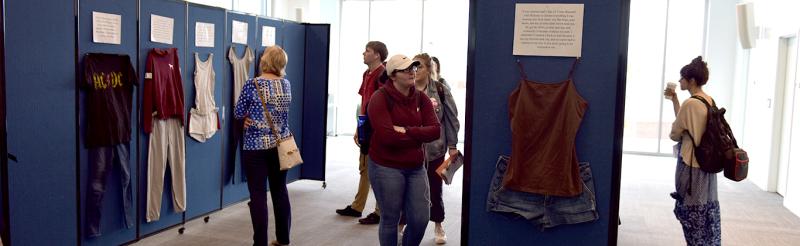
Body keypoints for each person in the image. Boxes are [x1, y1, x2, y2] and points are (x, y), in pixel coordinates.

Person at [368, 54, 441, 246]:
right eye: (406, 69)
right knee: (391, 218)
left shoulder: (422, 99)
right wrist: (418, 135)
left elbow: (435, 131)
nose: (412, 72)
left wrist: (406, 131)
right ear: (393, 75)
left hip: (415, 167)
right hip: (385, 166)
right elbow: (387, 137)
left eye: (414, 68)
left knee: (420, 218)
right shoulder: (379, 98)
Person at [234, 45, 293, 246]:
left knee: (258, 194)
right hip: (280, 145)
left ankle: (260, 242)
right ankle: (283, 238)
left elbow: (238, 111)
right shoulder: (286, 84)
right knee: (279, 191)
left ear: (264, 61)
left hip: (255, 146)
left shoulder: (252, 84)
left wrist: (246, 119)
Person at [398, 53, 459, 244]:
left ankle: (438, 224)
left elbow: (451, 119)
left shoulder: (440, 90)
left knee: (434, 188)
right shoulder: (404, 90)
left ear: (428, 68)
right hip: (408, 149)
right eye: (412, 67)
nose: (415, 71)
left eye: (419, 67)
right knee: (405, 189)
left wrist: (452, 146)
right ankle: (401, 225)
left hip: (435, 150)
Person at [664, 56, 721, 245]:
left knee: (690, 213)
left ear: (692, 81)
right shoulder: (708, 100)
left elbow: (675, 133)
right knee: (705, 213)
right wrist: (674, 100)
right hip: (707, 165)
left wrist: (679, 126)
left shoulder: (690, 104)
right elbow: (688, 123)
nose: (679, 81)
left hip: (691, 165)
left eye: (682, 78)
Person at [336, 41, 388, 225]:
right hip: (366, 125)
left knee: (376, 169)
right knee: (365, 166)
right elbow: (363, 103)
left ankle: (380, 211)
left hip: (377, 128)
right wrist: (359, 127)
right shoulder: (367, 74)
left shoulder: (383, 75)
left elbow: (382, 105)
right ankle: (358, 206)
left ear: (377, 55)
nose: (363, 53)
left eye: (367, 51)